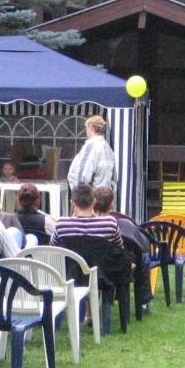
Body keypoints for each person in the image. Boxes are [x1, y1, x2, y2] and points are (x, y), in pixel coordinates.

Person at [92, 185, 152, 313]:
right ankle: (143, 302)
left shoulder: (82, 222)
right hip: (113, 269)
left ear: (93, 203)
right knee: (143, 257)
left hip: (87, 267)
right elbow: (136, 246)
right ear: (111, 205)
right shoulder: (117, 224)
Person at [51, 183, 123, 250]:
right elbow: (120, 248)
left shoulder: (61, 225)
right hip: (100, 263)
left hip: (70, 263)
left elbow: (52, 248)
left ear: (72, 204)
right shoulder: (110, 224)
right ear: (94, 202)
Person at [67, 115, 116, 191]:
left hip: (91, 196)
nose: (86, 131)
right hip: (105, 194)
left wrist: (79, 193)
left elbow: (83, 174)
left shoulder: (91, 146)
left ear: (90, 127)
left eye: (86, 128)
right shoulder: (108, 148)